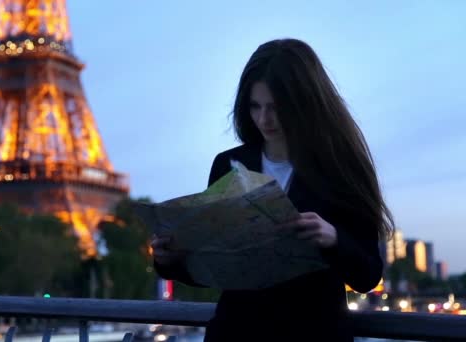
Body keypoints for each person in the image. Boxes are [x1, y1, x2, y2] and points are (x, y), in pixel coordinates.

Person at [151, 38, 395, 341]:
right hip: (236, 332)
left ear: (306, 102)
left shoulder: (340, 168)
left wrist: (332, 239)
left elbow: (367, 275)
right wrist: (169, 260)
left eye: (276, 107)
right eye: (255, 106)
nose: (264, 119)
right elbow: (219, 272)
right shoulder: (229, 163)